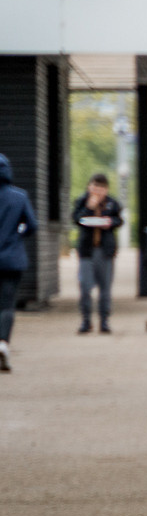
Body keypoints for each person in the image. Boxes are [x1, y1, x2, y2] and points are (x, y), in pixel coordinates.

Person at [71, 174, 124, 334]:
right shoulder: (82, 201)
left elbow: (119, 220)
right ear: (89, 187)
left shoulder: (112, 203)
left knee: (105, 288)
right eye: (94, 187)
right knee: (85, 286)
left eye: (101, 188)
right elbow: (76, 219)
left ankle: (104, 321)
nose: (97, 191)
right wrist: (89, 207)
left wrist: (110, 222)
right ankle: (86, 320)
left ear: (106, 190)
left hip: (105, 250)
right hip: (87, 250)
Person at [0, 153, 34, 373]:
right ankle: (2, 343)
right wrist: (18, 234)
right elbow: (32, 224)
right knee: (7, 305)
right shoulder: (19, 196)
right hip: (12, 259)